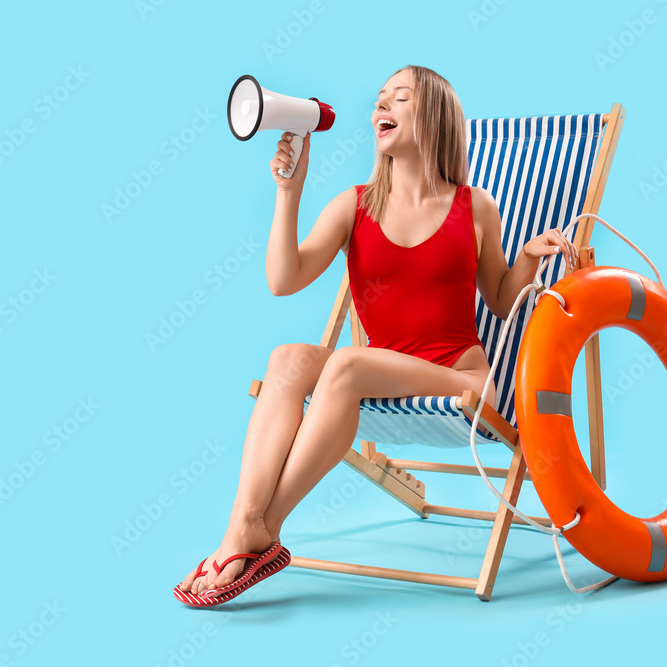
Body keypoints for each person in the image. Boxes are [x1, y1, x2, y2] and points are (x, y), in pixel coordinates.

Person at [176, 65, 578, 602]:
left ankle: (254, 533)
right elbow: (283, 279)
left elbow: (503, 301)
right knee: (288, 359)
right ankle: (246, 528)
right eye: (379, 100)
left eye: (399, 98)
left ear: (433, 117)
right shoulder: (354, 205)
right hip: (379, 374)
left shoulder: (475, 206)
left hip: (462, 380)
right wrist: (287, 193)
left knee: (345, 365)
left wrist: (528, 257)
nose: (379, 108)